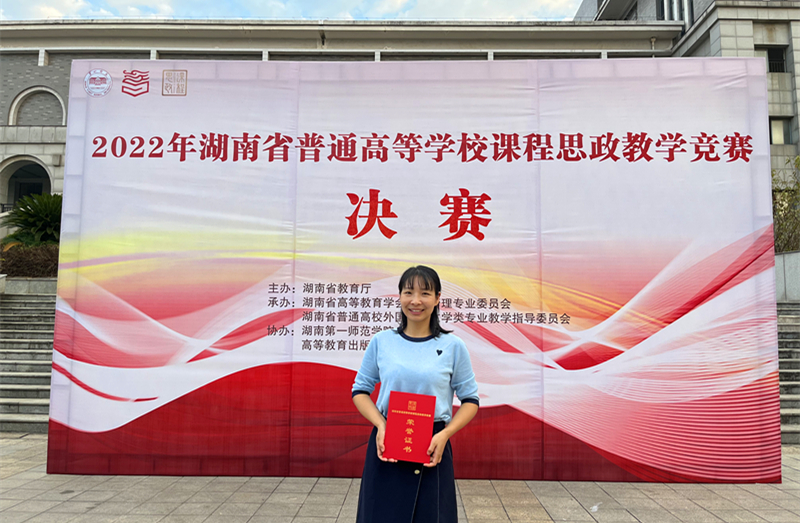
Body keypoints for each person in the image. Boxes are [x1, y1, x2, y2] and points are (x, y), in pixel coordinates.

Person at [352, 265, 479, 523]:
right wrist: (381, 425)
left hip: (432, 447)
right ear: (399, 296)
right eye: (408, 292)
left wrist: (445, 434)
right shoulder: (382, 341)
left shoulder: (453, 346)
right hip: (387, 445)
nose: (416, 301)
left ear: (438, 298)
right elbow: (360, 390)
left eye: (425, 293)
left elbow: (470, 400)